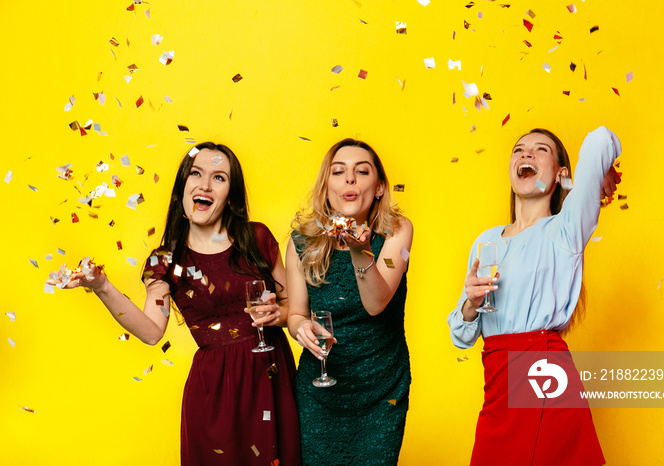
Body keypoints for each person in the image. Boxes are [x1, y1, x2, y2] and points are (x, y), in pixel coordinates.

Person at [46, 142, 301, 466]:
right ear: (183, 186)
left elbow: (292, 305)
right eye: (196, 173)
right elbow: (152, 331)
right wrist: (102, 286)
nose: (205, 184)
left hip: (271, 380)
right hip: (215, 394)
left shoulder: (257, 238)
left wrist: (276, 314)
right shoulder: (166, 260)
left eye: (219, 177)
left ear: (231, 193)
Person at [447, 126, 622, 465]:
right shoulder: (486, 241)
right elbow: (461, 336)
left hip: (542, 374)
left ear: (559, 174)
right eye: (518, 149)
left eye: (540, 150)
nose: (526, 154)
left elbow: (599, 138)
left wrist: (590, 179)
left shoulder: (566, 228)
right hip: (498, 382)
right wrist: (471, 303)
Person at [286, 139, 413, 465]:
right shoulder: (301, 241)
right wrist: (301, 328)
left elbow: (376, 302)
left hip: (380, 391)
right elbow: (297, 313)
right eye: (338, 171)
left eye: (362, 171)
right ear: (327, 185)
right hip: (320, 393)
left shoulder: (397, 233)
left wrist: (360, 250)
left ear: (380, 186)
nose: (350, 179)